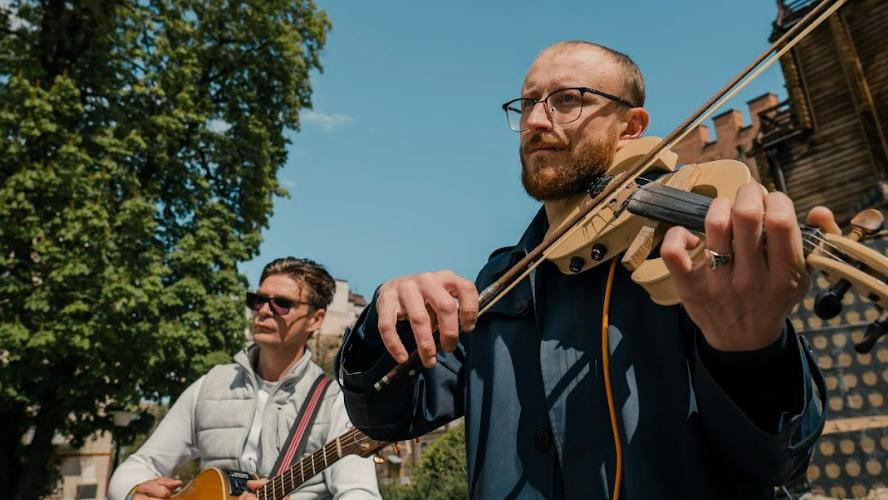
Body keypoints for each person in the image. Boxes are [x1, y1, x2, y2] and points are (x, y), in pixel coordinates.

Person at [334, 41, 833, 499]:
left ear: (631, 126)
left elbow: (780, 460)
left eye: (566, 100)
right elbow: (388, 416)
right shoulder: (498, 280)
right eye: (527, 103)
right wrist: (386, 319)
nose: (535, 121)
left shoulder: (694, 260)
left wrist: (750, 354)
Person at [109, 257, 381, 500]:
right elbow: (139, 464)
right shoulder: (210, 385)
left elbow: (360, 493)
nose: (264, 310)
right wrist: (134, 493)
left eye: (281, 304)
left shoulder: (336, 401)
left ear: (315, 319)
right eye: (258, 300)